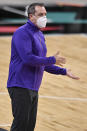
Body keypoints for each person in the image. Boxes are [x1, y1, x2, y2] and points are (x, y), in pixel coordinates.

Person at [7, 3, 79, 131]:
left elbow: (41, 63)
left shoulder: (40, 35)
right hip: (20, 85)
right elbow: (28, 59)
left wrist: (63, 71)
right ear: (31, 16)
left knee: (29, 127)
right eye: (40, 14)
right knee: (20, 126)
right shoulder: (22, 33)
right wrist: (52, 59)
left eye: (45, 14)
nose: (44, 17)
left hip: (33, 88)